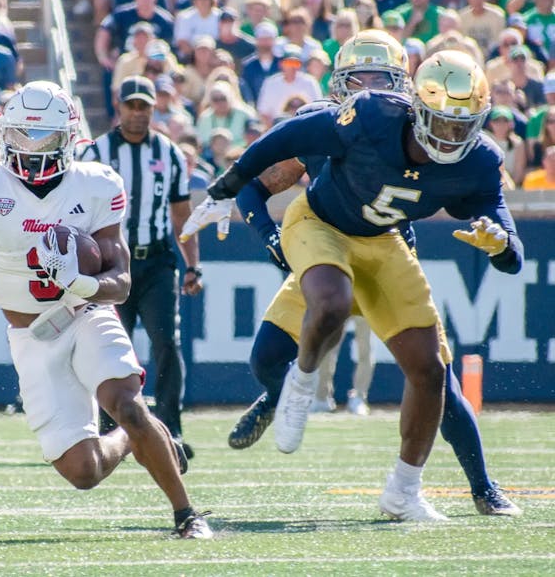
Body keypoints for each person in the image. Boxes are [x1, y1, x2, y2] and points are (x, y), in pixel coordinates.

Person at [184, 49, 524, 522]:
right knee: (288, 339)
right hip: (321, 233)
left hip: (385, 248)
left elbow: (508, 244)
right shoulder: (361, 118)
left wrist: (502, 244)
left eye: (461, 125)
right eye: (359, 79)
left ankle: (447, 490)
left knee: (432, 374)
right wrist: (228, 191)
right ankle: (295, 391)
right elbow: (277, 147)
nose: (451, 136)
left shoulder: (479, 159)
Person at [0, 80, 210, 539]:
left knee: (126, 405)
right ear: (4, 137)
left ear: (68, 139)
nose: (30, 150)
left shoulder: (95, 185)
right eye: (21, 137)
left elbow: (122, 283)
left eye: (43, 138)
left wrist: (80, 282)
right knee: (83, 471)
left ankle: (187, 515)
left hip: (86, 315)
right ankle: (135, 437)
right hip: (31, 337)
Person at [80, 75, 202, 457]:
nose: (137, 113)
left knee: (166, 342)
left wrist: (193, 265)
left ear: (153, 108)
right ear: (119, 107)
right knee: (108, 348)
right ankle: (108, 429)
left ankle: (169, 430)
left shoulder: (168, 153)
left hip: (155, 261)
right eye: (131, 105)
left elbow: (181, 213)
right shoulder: (95, 153)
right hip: (111, 263)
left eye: (144, 106)